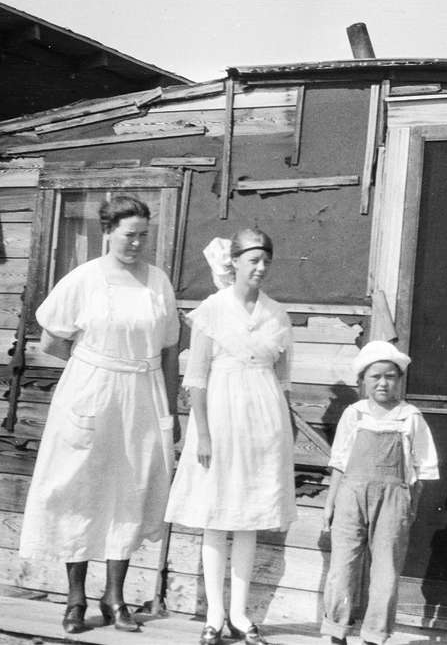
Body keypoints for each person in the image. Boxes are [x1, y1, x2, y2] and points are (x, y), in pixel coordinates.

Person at [18, 195, 179, 634]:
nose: (137, 244)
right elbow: (51, 340)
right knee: (80, 487)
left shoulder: (158, 282)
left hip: (142, 394)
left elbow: (168, 350)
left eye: (144, 236)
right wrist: (94, 362)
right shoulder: (84, 279)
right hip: (90, 391)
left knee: (130, 488)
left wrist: (172, 407)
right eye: (130, 235)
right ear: (107, 232)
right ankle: (75, 599)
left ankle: (115, 597)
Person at [164, 228, 297, 645]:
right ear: (234, 261)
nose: (260, 268)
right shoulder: (212, 310)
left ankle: (240, 614)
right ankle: (214, 616)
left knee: (249, 515)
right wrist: (201, 434)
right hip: (221, 419)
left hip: (263, 421)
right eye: (252, 260)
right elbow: (197, 379)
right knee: (215, 516)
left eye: (266, 262)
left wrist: (281, 430)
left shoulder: (277, 314)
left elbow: (283, 378)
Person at [321, 340, 440, 645]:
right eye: (375, 377)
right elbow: (339, 462)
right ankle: (336, 631)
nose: (383, 383)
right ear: (362, 381)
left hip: (393, 498)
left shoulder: (410, 416)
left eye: (390, 376)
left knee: (386, 569)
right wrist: (330, 503)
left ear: (399, 380)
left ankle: (375, 634)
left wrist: (411, 505)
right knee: (342, 566)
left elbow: (422, 469)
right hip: (350, 495)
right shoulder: (354, 414)